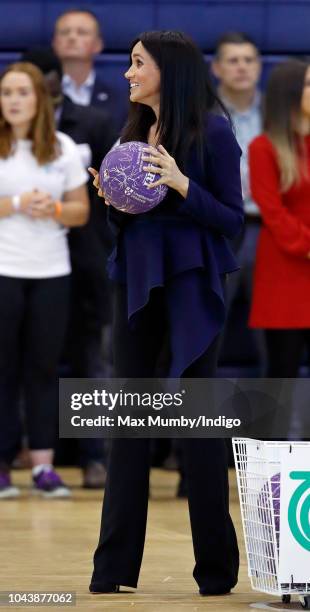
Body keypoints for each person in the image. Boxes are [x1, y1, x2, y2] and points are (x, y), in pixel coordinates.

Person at [88, 30, 243, 595]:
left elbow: (231, 220)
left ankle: (217, 574)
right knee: (127, 426)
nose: (127, 73)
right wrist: (114, 202)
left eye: (136, 63)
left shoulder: (214, 131)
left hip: (191, 291)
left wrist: (181, 184)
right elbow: (129, 221)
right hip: (134, 283)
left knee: (196, 431)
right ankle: (113, 571)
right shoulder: (130, 129)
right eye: (129, 63)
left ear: (168, 70)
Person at [21, 47, 117, 489]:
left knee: (90, 359)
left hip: (85, 256)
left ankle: (95, 453)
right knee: (28, 357)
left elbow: (111, 191)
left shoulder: (94, 124)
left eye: (51, 90)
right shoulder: (8, 131)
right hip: (26, 258)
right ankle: (26, 449)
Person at [0, 62, 89, 498]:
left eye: (21, 92)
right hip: (4, 270)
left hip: (51, 272)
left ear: (38, 99)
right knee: (3, 369)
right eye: (6, 92)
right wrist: (16, 202)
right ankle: (1, 465)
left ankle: (43, 467)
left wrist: (51, 209)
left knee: (44, 369)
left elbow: (80, 211)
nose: (13, 100)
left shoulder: (63, 148)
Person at [249, 60, 310, 377]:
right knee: (281, 372)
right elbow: (271, 209)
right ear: (290, 94)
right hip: (285, 269)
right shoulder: (263, 147)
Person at [212, 32, 264, 372]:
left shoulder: (281, 114)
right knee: (207, 326)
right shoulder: (200, 115)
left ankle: (277, 421)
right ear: (216, 68)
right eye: (233, 60)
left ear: (260, 67)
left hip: (269, 231)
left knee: (275, 332)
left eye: (248, 60)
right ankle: (194, 417)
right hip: (217, 232)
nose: (242, 67)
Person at [52, 8, 126, 131]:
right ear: (55, 43)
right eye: (65, 32)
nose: (72, 37)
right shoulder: (41, 95)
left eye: (82, 32)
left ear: (98, 44)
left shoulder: (120, 102)